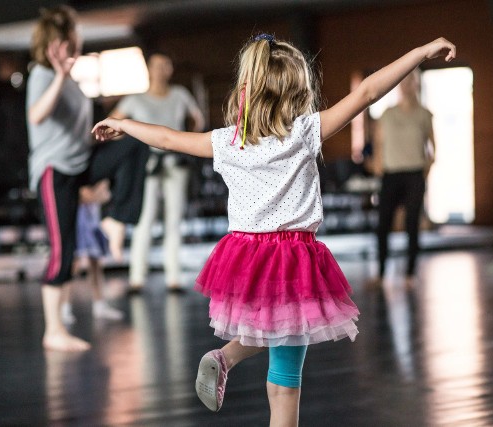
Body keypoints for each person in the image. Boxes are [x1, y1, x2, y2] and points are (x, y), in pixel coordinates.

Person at [93, 34, 456, 426]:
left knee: (270, 326)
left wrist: (123, 123)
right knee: (286, 377)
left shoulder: (227, 143)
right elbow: (368, 92)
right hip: (293, 256)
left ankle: (225, 357)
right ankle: (230, 362)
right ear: (294, 94)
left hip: (246, 255)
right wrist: (418, 53)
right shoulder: (303, 133)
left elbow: (165, 138)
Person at [26, 6, 147, 351]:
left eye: (76, 42)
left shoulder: (73, 82)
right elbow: (36, 116)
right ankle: (54, 331)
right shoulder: (41, 76)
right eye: (69, 44)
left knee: (134, 139)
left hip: (81, 163)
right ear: (53, 45)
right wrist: (61, 76)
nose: (74, 50)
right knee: (63, 250)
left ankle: (117, 217)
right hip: (55, 171)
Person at [110, 51, 205, 292]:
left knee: (174, 220)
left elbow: (198, 119)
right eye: (157, 65)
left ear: (170, 69)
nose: (161, 70)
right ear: (149, 69)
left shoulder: (180, 95)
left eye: (166, 65)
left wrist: (190, 142)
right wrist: (128, 144)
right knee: (145, 218)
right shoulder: (135, 100)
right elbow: (115, 122)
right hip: (148, 163)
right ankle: (136, 278)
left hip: (175, 161)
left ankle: (173, 277)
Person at [371, 69, 435, 288]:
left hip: (415, 174)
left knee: (412, 224)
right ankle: (380, 274)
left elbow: (432, 149)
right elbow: (379, 145)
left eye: (411, 82)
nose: (407, 86)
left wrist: (426, 170)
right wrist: (379, 166)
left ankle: (410, 273)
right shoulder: (387, 114)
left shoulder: (424, 114)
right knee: (383, 225)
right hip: (391, 175)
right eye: (403, 81)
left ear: (416, 85)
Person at [61, 180, 124, 324]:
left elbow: (105, 195)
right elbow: (83, 195)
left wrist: (100, 192)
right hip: (77, 220)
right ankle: (64, 307)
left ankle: (99, 305)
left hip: (92, 219)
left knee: (95, 264)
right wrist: (97, 193)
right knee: (73, 264)